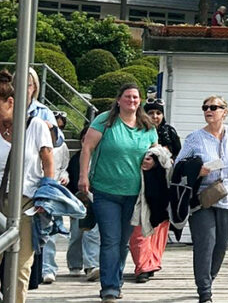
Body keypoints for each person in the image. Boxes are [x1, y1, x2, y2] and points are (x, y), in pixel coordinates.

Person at [0, 71, 55, 303]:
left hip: (26, 201)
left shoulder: (37, 126)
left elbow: (48, 163)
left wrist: (45, 198)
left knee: (20, 267)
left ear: (11, 102)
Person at [79, 83, 158, 303]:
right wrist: (83, 176)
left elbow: (155, 152)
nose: (132, 101)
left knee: (123, 242)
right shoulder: (105, 120)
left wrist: (151, 160)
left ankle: (116, 279)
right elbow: (87, 148)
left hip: (134, 194)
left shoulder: (147, 125)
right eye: (127, 97)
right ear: (119, 99)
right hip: (105, 192)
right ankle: (109, 289)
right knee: (110, 240)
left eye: (135, 97)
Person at [175, 96, 228, 303]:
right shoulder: (194, 138)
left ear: (225, 112)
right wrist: (196, 171)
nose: (209, 111)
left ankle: (209, 278)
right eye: (205, 108)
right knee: (205, 243)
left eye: (214, 107)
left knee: (221, 243)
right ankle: (205, 291)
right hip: (202, 200)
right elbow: (178, 166)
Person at [129, 101, 180, 283]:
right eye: (151, 112)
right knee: (139, 229)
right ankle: (142, 265)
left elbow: (178, 157)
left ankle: (152, 262)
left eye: (158, 113)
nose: (155, 116)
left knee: (159, 229)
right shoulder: (137, 131)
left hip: (162, 187)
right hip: (140, 186)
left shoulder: (169, 132)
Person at [40, 111, 72, 284]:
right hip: (36, 188)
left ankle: (48, 268)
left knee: (51, 229)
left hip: (54, 189)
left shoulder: (62, 145)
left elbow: (64, 166)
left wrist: (65, 175)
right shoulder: (34, 142)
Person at [65, 124, 100, 281]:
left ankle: (91, 265)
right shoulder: (75, 159)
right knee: (76, 234)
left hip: (97, 199)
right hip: (78, 200)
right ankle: (74, 264)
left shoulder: (101, 157)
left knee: (92, 233)